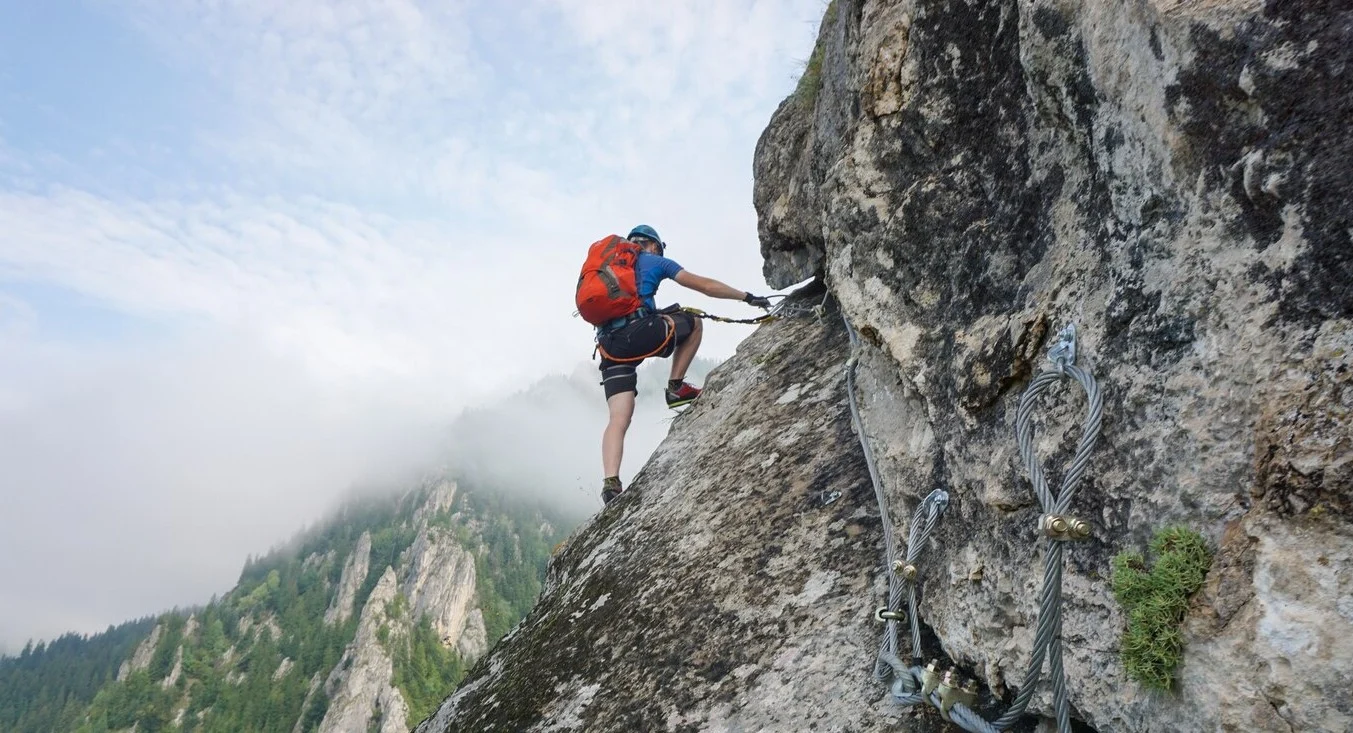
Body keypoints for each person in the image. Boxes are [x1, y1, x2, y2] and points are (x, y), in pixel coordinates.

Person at [595, 224, 772, 505]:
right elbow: (704, 286)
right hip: (640, 334)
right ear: (653, 245)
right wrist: (746, 297)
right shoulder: (655, 260)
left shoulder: (609, 269)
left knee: (618, 418)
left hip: (608, 346)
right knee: (694, 322)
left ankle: (611, 484)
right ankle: (675, 387)